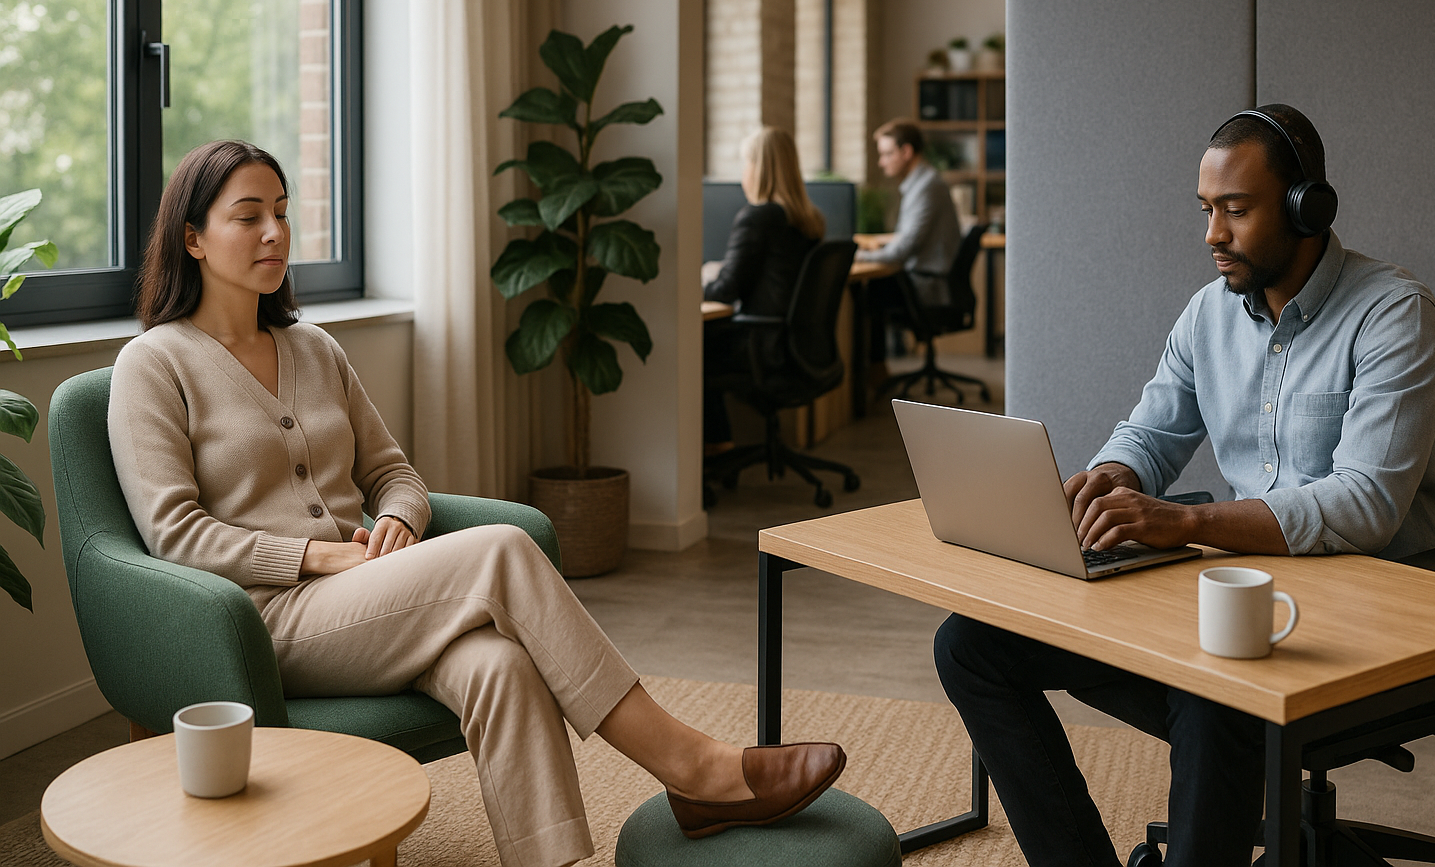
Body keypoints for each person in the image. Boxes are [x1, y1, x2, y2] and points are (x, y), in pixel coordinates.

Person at [107, 139, 846, 867]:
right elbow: (174, 533)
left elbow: (394, 473)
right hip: (260, 621)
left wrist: (398, 517)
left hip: (365, 598)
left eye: (282, 211)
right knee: (500, 546)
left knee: (502, 667)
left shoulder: (314, 349)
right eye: (247, 217)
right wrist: (314, 553)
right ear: (193, 239)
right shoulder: (153, 365)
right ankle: (696, 768)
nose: (275, 232)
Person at [932, 104, 1435, 867]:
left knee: (1212, 699)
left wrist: (1181, 525)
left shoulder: (1393, 316)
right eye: (1207, 210)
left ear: (1308, 206)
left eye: (1236, 211)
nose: (1213, 234)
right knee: (971, 646)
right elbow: (1152, 432)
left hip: (1365, 618)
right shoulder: (1208, 315)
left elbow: (1364, 505)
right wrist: (1109, 479)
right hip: (1238, 600)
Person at [701, 126, 824, 452]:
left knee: (694, 348)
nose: (744, 173)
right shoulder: (809, 220)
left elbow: (726, 289)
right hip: (795, 346)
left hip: (763, 347)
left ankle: (717, 448)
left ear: (760, 168)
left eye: (746, 163)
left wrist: (696, 285)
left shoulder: (758, 217)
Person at [854, 118, 961, 364]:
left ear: (906, 151)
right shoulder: (923, 183)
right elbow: (908, 238)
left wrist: (858, 255)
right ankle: (874, 374)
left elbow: (903, 250)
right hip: (927, 278)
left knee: (865, 295)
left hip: (928, 286)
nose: (881, 163)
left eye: (887, 154)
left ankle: (870, 376)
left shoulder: (926, 187)